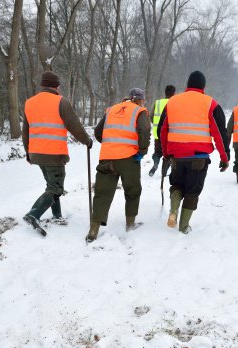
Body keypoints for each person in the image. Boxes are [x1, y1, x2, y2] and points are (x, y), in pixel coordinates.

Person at [158, 70, 230, 234]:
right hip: (199, 157)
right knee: (192, 191)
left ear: (187, 85)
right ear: (204, 86)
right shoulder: (211, 104)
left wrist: (166, 153)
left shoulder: (173, 102)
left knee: (176, 185)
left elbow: (163, 130)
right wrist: (224, 158)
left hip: (177, 156)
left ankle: (173, 211)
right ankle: (184, 226)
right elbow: (220, 134)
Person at [22, 71, 92, 235]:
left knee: (51, 185)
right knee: (56, 188)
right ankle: (34, 214)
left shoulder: (30, 102)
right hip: (53, 154)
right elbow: (74, 126)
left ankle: (57, 215)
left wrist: (28, 152)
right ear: (57, 86)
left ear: (42, 84)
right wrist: (87, 141)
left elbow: (25, 131)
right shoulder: (61, 102)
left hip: (36, 153)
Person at [86, 88, 151, 242]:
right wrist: (142, 151)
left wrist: (111, 144)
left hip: (106, 158)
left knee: (102, 193)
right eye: (143, 100)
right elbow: (144, 130)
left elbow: (98, 133)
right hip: (129, 158)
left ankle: (93, 230)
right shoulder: (139, 111)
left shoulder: (111, 110)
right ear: (139, 100)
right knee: (132, 190)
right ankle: (130, 223)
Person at [149, 84, 176, 176]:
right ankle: (164, 171)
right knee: (168, 153)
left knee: (157, 152)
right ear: (174, 93)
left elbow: (151, 116)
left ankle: (156, 164)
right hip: (170, 135)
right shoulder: (175, 103)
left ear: (165, 92)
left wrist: (156, 124)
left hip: (157, 133)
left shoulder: (158, 102)